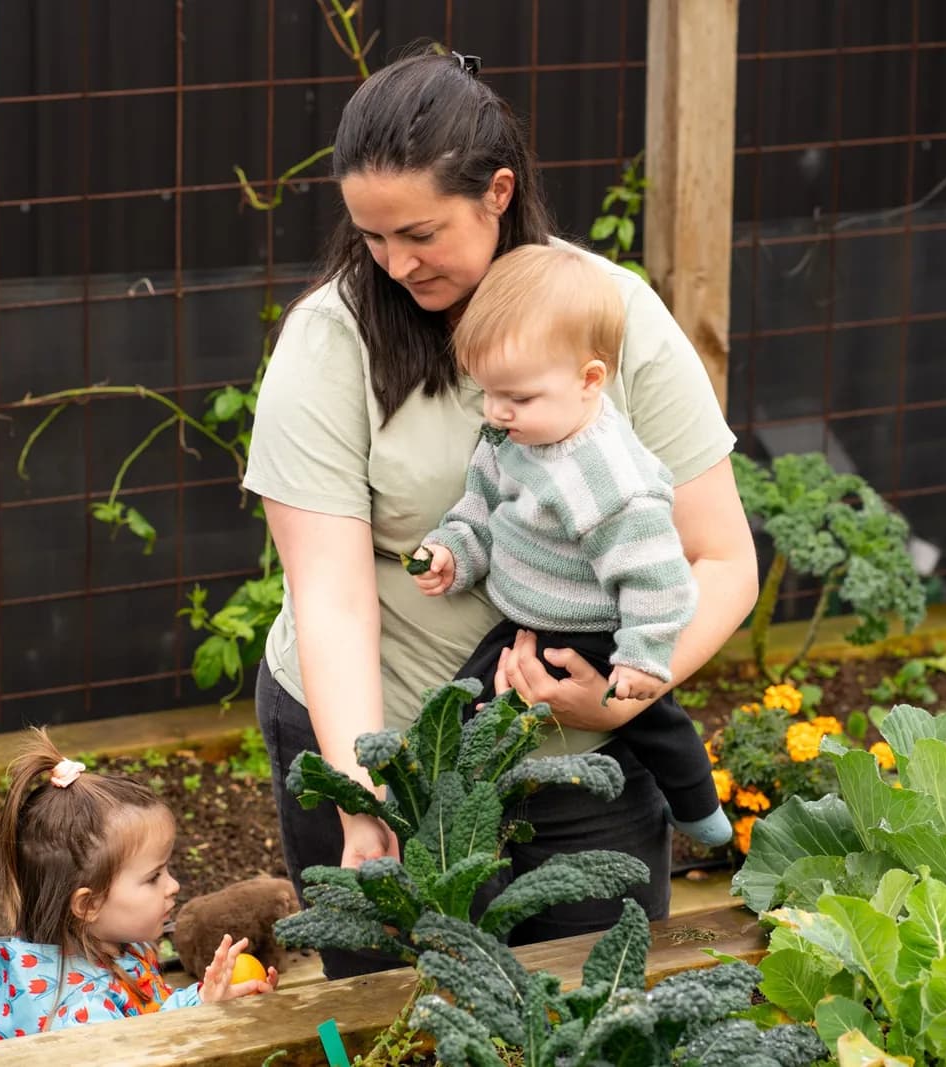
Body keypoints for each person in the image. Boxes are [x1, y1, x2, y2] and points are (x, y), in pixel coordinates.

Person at [243, 49, 758, 979]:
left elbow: (720, 559)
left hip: (579, 750)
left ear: (498, 193)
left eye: (420, 233)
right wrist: (366, 798)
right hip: (380, 740)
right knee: (400, 1018)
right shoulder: (329, 342)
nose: (394, 264)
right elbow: (332, 597)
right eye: (371, 236)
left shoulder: (616, 317)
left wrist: (612, 699)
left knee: (590, 1005)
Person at [412, 244, 730, 848]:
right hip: (527, 618)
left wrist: (640, 658)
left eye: (519, 398)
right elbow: (481, 506)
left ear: (590, 381)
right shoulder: (510, 435)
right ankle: (454, 814)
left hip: (598, 626)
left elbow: (657, 579)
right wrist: (453, 550)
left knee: (655, 724)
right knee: (463, 707)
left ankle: (697, 808)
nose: (498, 412)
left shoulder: (609, 482)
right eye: (487, 392)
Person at [0, 728, 277, 1042]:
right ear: (88, 905)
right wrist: (206, 1017)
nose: (174, 886)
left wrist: (206, 1000)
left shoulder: (109, 941)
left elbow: (152, 1019)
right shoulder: (79, 1017)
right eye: (153, 877)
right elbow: (149, 1051)